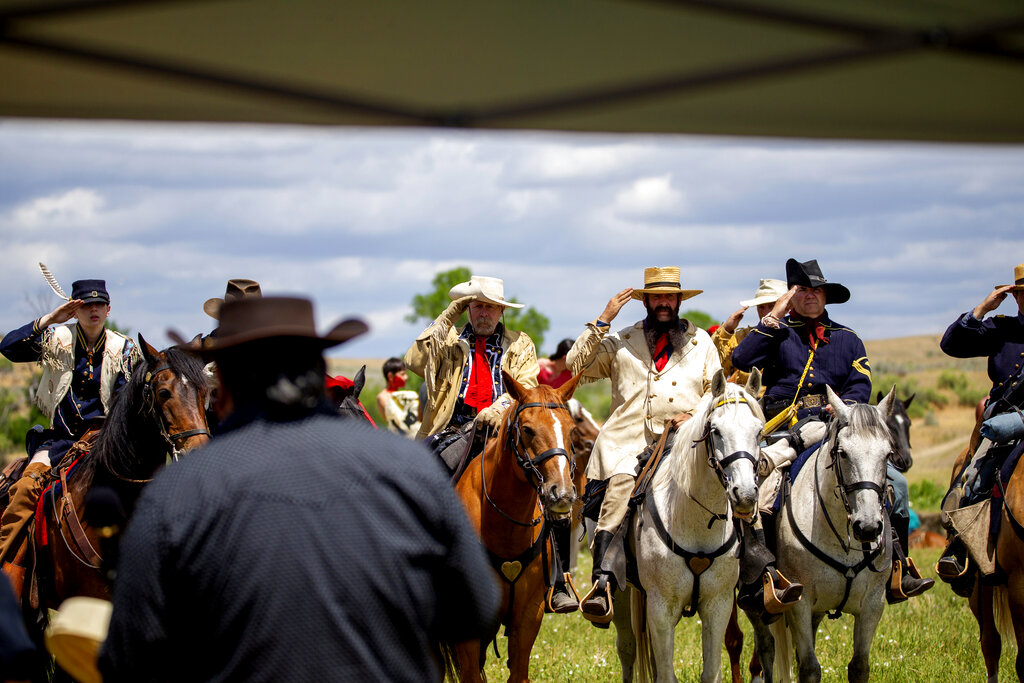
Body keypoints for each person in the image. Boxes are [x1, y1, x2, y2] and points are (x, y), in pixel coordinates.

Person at [99, 297, 499, 682]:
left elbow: (130, 654)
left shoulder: (177, 492)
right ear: (320, 370)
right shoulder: (410, 468)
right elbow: (475, 607)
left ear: (221, 392)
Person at [732, 258, 932, 607]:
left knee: (897, 486)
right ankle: (762, 575)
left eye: (817, 290)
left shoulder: (848, 339)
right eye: (803, 290)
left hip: (840, 428)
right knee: (761, 493)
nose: (811, 296)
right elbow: (740, 359)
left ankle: (899, 568)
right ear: (792, 295)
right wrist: (774, 315)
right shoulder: (774, 333)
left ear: (826, 296)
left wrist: (846, 405)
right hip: (785, 431)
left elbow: (861, 382)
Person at [565, 266, 722, 624]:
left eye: (670, 296)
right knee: (621, 481)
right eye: (656, 296)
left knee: (734, 476)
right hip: (629, 442)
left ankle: (755, 566)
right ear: (646, 301)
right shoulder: (621, 340)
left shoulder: (702, 343)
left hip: (686, 441)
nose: (663, 303)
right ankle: (603, 579)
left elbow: (716, 392)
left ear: (679, 300)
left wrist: (694, 415)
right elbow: (575, 366)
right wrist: (602, 320)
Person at [0, 280, 140, 572]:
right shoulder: (56, 338)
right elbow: (8, 347)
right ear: (74, 310)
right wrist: (51, 319)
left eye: (99, 304)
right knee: (25, 488)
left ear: (108, 309)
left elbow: (128, 402)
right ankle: (6, 563)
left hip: (105, 444)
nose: (93, 309)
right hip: (58, 442)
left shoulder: (124, 349)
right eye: (85, 305)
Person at [936, 262, 1024, 584]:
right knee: (973, 479)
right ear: (1015, 297)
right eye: (1022, 294)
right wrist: (983, 309)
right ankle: (959, 549)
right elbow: (951, 344)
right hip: (1003, 424)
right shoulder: (1001, 329)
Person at [404, 275, 539, 440]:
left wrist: (496, 410)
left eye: (490, 307)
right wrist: (445, 320)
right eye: (478, 306)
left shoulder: (520, 343)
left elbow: (526, 388)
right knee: (420, 464)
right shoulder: (449, 340)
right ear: (466, 309)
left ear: (501, 310)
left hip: (503, 429)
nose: (483, 313)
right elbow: (414, 362)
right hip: (450, 429)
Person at [711, 278, 787, 388]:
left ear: (787, 307)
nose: (766, 312)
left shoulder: (797, 334)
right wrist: (726, 331)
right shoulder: (743, 337)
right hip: (745, 402)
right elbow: (715, 368)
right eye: (761, 307)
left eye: (772, 306)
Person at [375, 357, 421, 437]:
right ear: (390, 376)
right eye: (402, 374)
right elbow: (397, 420)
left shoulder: (403, 395)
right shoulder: (382, 397)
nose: (406, 377)